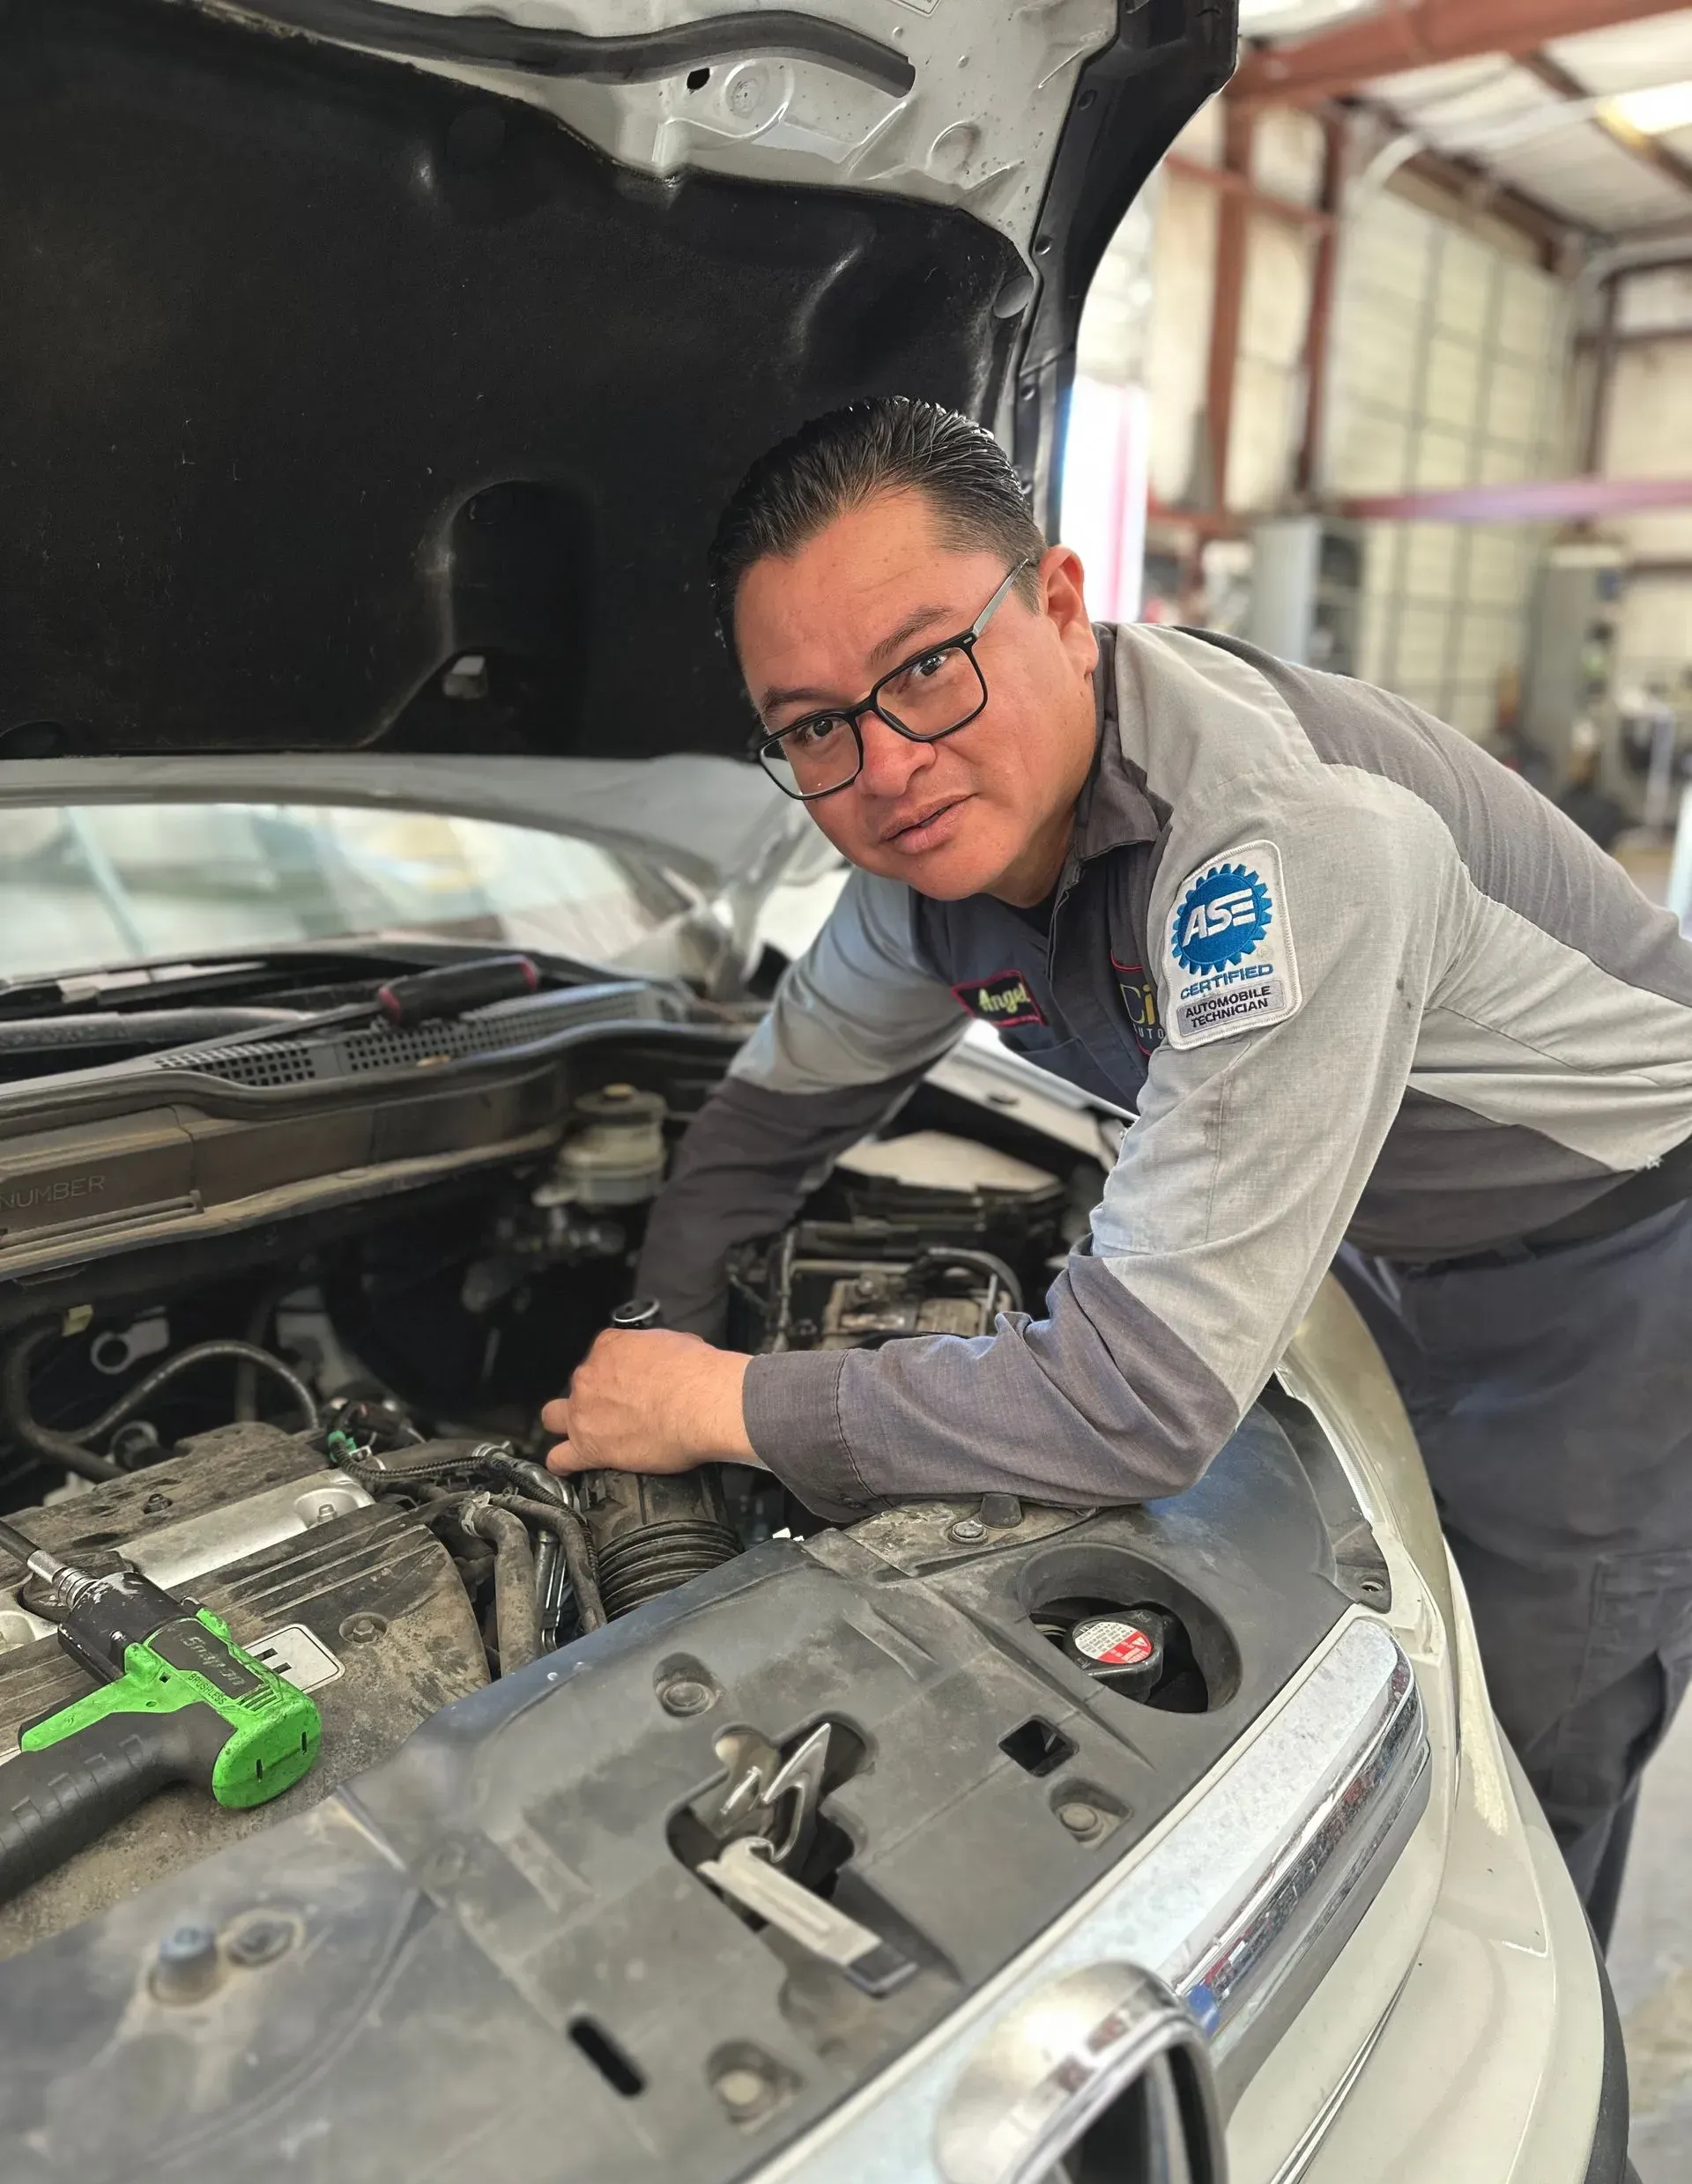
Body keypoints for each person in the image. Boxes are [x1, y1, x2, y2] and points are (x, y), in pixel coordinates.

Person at [542, 397, 1692, 1934]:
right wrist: (649, 1335)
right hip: (1368, 1238)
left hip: (1614, 1271)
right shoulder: (926, 874)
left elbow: (1137, 1399)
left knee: (1525, 1760)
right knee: (1371, 1667)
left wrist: (721, 1405)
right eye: (814, 726)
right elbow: (766, 1122)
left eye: (926, 666)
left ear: (1064, 607)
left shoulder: (1289, 843)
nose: (885, 765)